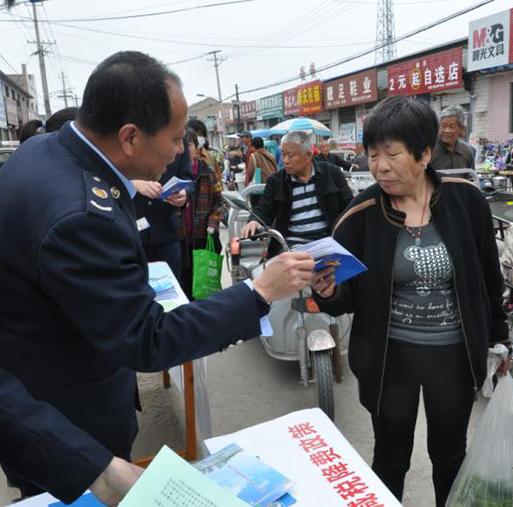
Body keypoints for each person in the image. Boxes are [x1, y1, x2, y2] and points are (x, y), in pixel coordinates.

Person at [0, 51, 316, 499]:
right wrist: (258, 292)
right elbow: (148, 339)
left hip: (44, 389)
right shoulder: (80, 214)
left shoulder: (44, 151)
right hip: (67, 423)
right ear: (130, 137)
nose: (178, 152)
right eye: (173, 139)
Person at [310, 96, 511, 506]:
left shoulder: (465, 201)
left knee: (450, 456)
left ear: (423, 154)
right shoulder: (361, 214)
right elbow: (343, 296)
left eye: (392, 154)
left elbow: (488, 278)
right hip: (390, 359)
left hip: (453, 357)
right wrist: (328, 290)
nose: (379, 166)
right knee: (389, 458)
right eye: (372, 154)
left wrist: (499, 338)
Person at [0, 366, 143, 505]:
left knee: (119, 475)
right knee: (47, 488)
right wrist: (98, 472)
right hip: (35, 412)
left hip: (108, 390)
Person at [240, 130, 353, 256]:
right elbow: (263, 208)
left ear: (309, 154)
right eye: (283, 155)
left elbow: (349, 208)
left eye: (290, 155)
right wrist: (254, 221)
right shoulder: (276, 181)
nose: (285, 161)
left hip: (328, 244)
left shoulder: (332, 173)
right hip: (293, 248)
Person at [132, 137, 192, 279]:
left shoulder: (177, 139)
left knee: (171, 291)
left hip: (166, 230)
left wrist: (185, 194)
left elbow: (188, 179)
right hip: (132, 233)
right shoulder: (130, 138)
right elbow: (108, 175)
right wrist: (133, 184)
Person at [180, 128, 224, 298]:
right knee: (184, 286)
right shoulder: (172, 173)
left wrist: (213, 222)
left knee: (204, 287)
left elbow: (219, 201)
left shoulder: (208, 172)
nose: (185, 148)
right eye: (182, 144)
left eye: (189, 143)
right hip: (180, 240)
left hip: (204, 237)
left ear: (197, 146)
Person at [428, 105, 476, 170]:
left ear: (461, 129)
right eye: (443, 126)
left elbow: (471, 177)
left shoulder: (467, 152)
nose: (447, 131)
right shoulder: (429, 150)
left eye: (452, 126)